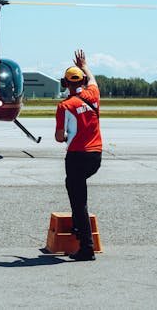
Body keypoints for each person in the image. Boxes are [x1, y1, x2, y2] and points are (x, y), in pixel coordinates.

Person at [54, 49, 102, 261]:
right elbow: (92, 79)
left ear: (65, 84)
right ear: (82, 80)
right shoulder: (94, 95)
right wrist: (84, 64)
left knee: (78, 200)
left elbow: (58, 136)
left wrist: (66, 137)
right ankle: (77, 227)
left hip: (76, 156)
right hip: (96, 156)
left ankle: (86, 247)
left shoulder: (64, 106)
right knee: (74, 187)